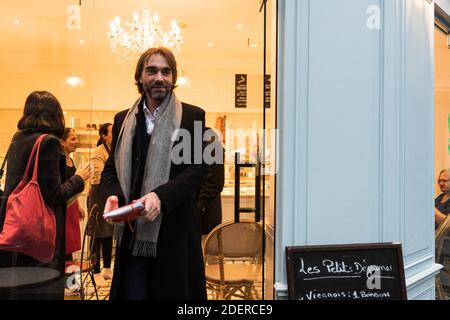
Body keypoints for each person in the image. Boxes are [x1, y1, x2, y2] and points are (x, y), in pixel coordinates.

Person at [101, 47, 208, 300]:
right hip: (132, 233)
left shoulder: (193, 116)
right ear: (140, 76)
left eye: (166, 72)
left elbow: (198, 170)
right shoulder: (122, 120)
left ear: (173, 78)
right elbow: (111, 169)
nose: (159, 77)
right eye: (152, 71)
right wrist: (114, 195)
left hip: (175, 231)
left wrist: (160, 197)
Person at [0, 91, 92, 299]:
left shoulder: (18, 138)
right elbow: (54, 194)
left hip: (14, 225)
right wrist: (79, 178)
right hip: (39, 231)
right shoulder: (48, 142)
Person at [87, 123, 114, 288]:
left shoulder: (114, 150)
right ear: (104, 135)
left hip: (109, 196)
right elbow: (98, 177)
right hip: (98, 196)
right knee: (97, 234)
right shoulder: (98, 152)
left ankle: (106, 268)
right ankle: (95, 270)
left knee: (109, 232)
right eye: (112, 131)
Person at [61, 128, 91, 262]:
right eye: (72, 139)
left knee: (71, 246)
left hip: (71, 206)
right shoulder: (60, 160)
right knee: (64, 245)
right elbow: (64, 187)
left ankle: (71, 280)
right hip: (64, 207)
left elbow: (73, 187)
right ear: (62, 141)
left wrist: (78, 205)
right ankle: (67, 280)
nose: (77, 142)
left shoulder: (70, 160)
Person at [197, 128, 225, 241]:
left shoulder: (210, 142)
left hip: (206, 213)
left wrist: (199, 206)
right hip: (203, 211)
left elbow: (214, 182)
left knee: (207, 252)